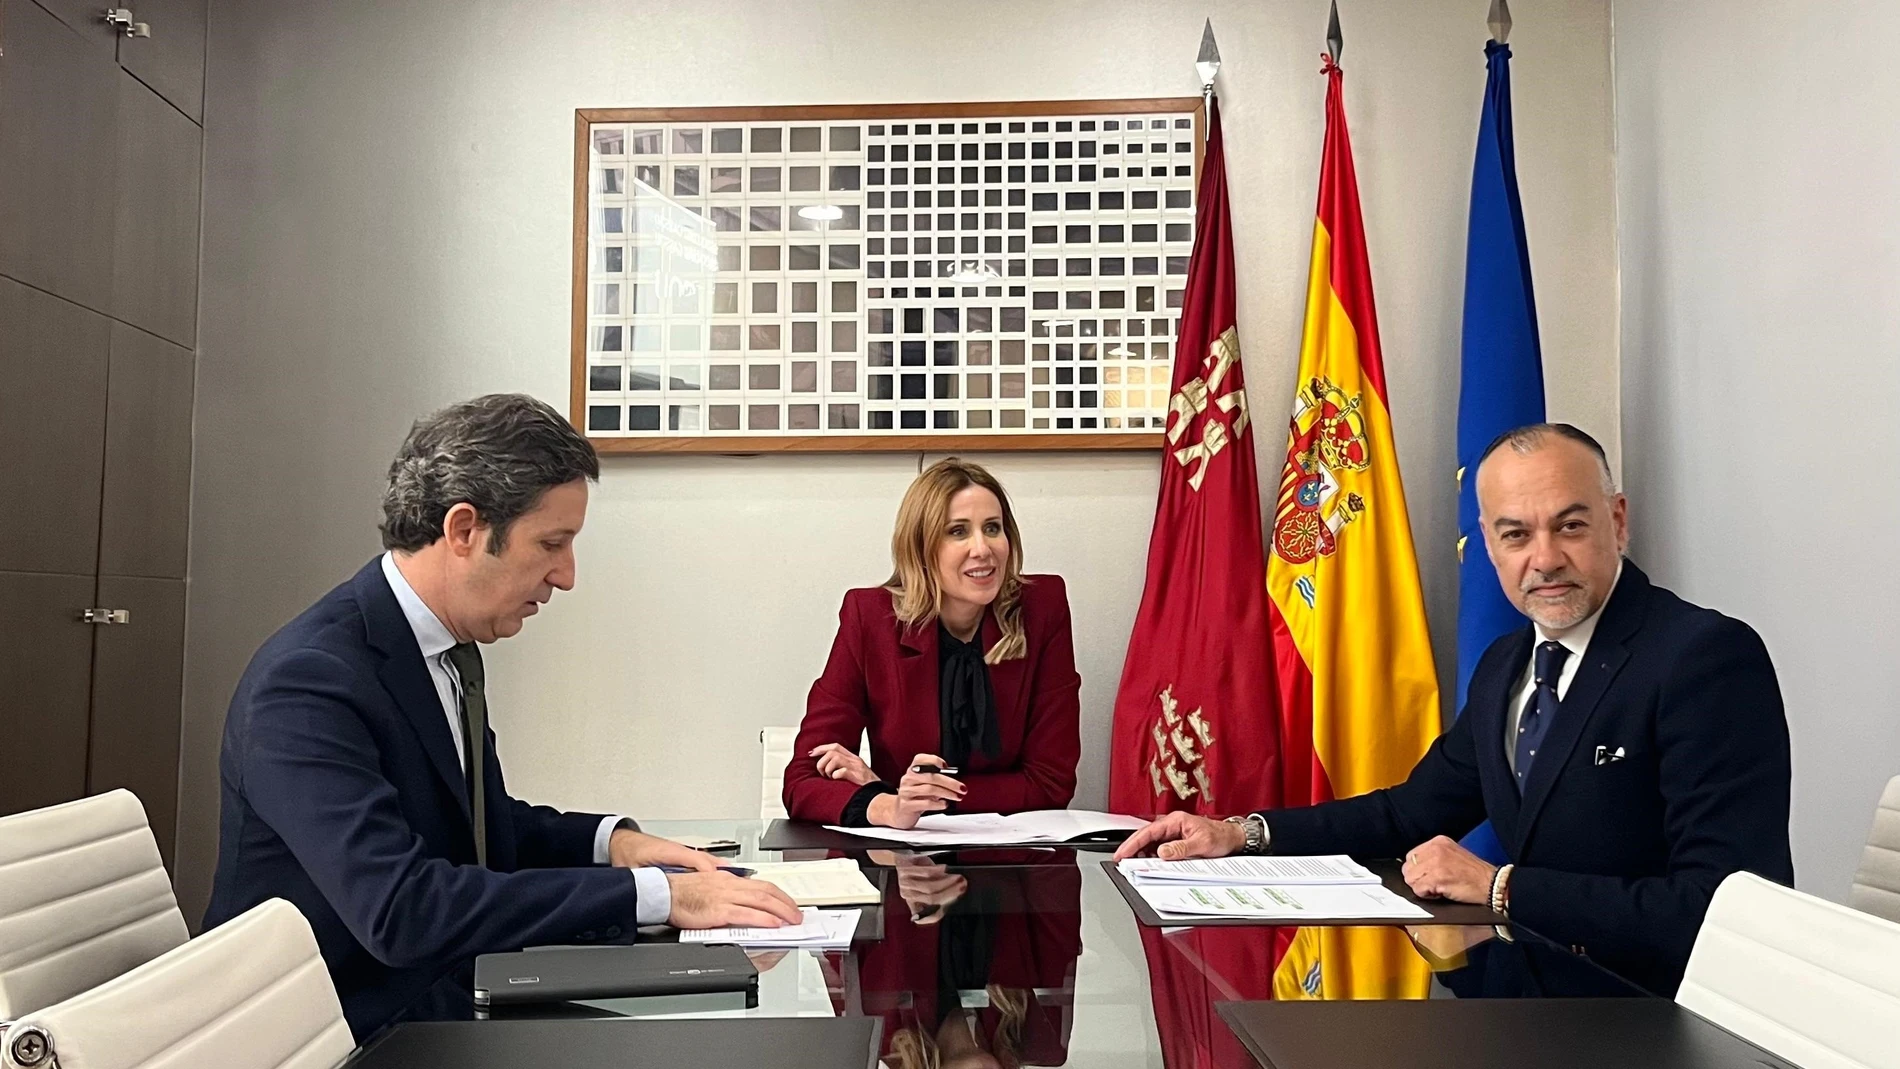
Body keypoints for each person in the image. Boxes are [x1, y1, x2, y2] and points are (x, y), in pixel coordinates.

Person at [1115, 423, 1792, 993]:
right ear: (1488, 546)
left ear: (1617, 521)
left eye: (1571, 525)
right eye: (1516, 534)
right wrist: (1240, 833)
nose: (1546, 558)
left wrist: (1501, 888)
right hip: (1526, 1008)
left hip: (1656, 1017)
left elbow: (1720, 908)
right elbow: (1405, 813)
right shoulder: (1508, 665)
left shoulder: (1704, 657)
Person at [203, 394, 799, 1038]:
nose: (566, 576)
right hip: (339, 1032)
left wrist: (615, 845)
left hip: (443, 996)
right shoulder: (309, 682)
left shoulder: (442, 651)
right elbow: (403, 910)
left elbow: (473, 827)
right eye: (552, 543)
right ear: (464, 530)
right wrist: (661, 896)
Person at [783, 458, 1081, 829]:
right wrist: (887, 807)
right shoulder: (871, 619)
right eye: (957, 531)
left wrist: (903, 794)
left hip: (1017, 861)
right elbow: (800, 781)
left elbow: (1051, 783)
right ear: (921, 547)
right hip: (903, 865)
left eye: (992, 528)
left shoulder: (1042, 609)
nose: (983, 548)